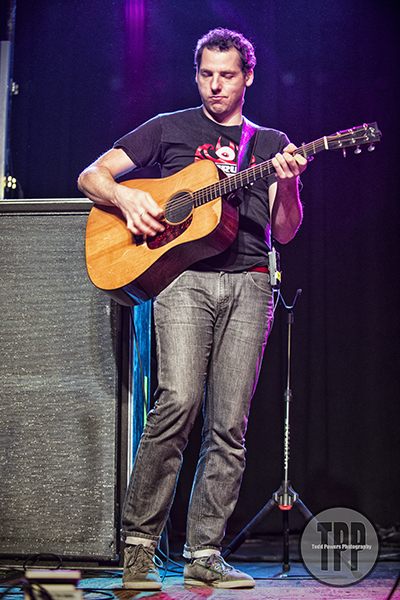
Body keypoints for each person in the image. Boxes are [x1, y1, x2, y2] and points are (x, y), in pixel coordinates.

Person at [78, 27, 307, 590]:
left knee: (228, 424)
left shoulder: (270, 142)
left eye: (227, 75)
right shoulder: (168, 128)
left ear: (248, 77)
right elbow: (91, 176)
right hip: (183, 281)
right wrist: (127, 195)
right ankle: (139, 548)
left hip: (251, 283)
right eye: (206, 74)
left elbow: (285, 231)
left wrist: (291, 186)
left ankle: (204, 552)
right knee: (177, 404)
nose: (215, 85)